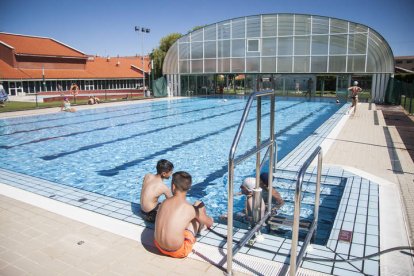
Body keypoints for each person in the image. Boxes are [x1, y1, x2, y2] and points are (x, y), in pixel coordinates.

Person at [154, 171, 214, 258]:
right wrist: (203, 215)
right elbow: (210, 223)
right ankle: (201, 228)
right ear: (189, 188)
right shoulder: (190, 209)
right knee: (198, 207)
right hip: (178, 251)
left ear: (173, 186)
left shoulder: (164, 202)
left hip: (158, 246)